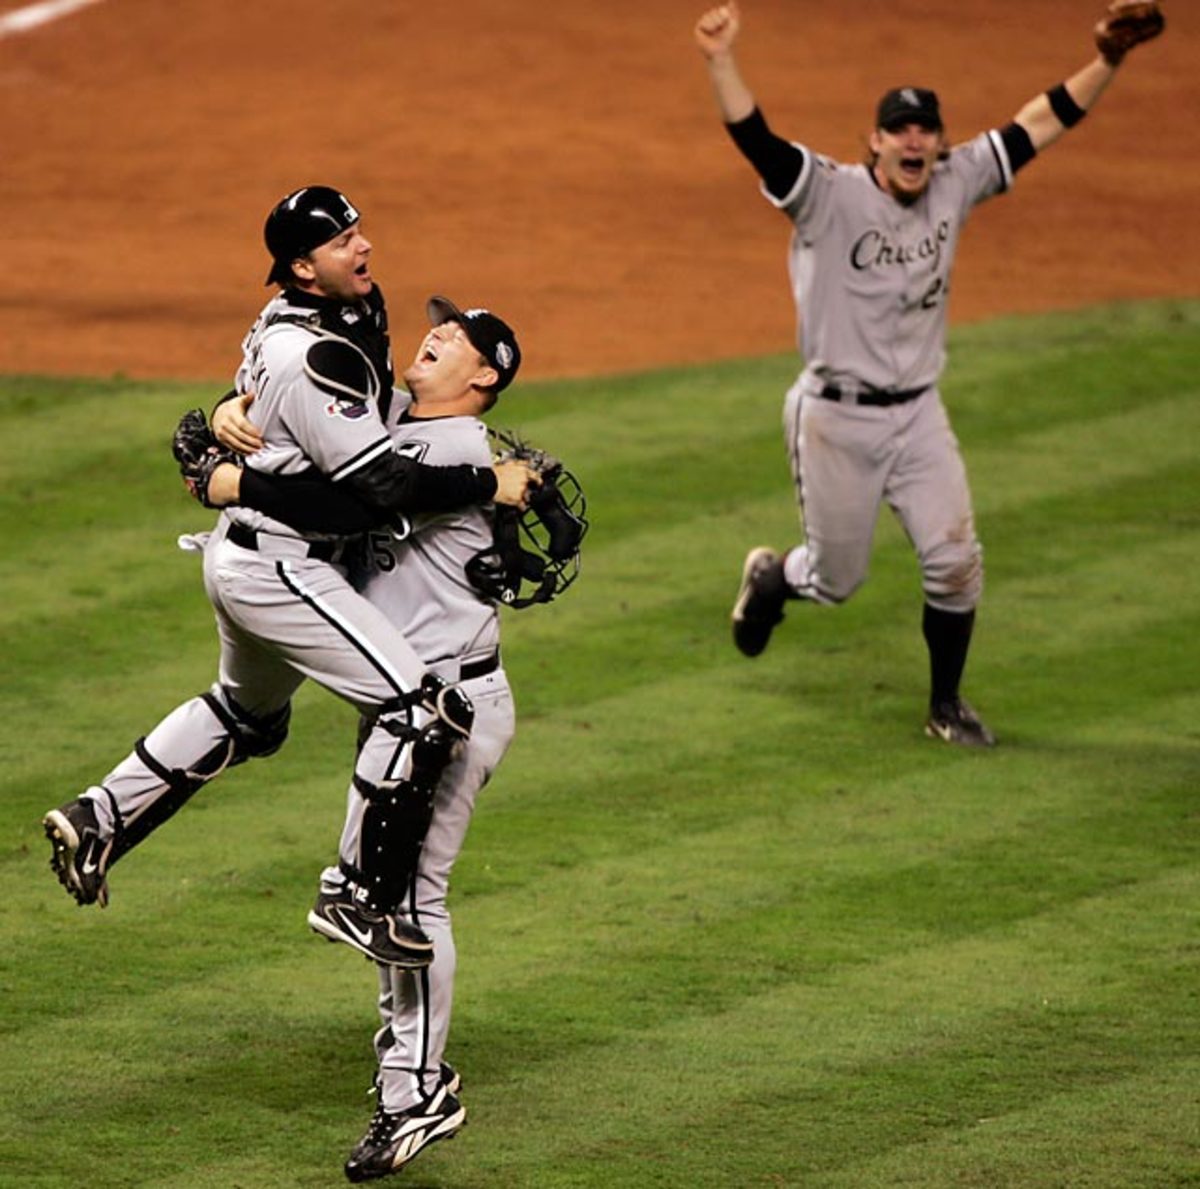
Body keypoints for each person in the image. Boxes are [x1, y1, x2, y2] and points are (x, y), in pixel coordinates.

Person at [43, 188, 536, 976]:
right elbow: (370, 489)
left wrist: (221, 425)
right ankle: (353, 893)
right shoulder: (311, 353)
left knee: (249, 715)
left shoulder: (351, 310)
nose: (363, 247)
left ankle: (102, 816)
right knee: (417, 708)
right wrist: (486, 482)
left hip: (254, 555)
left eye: (357, 229)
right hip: (279, 565)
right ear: (304, 269)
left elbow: (286, 407)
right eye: (343, 242)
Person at [694, 1, 1164, 746]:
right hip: (836, 417)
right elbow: (758, 141)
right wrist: (721, 60)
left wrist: (1107, 59)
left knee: (955, 558)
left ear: (939, 143)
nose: (915, 142)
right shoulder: (829, 194)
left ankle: (946, 704)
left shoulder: (957, 178)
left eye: (926, 131)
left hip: (918, 414)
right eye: (899, 131)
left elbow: (1040, 123)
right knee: (837, 581)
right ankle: (776, 579)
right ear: (874, 142)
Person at [206, 297, 537, 1180]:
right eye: (437, 323)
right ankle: (407, 1070)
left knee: (411, 898)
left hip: (448, 708)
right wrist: (231, 412)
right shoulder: (397, 423)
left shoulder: (456, 450)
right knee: (387, 900)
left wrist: (234, 473)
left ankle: (417, 1093)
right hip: (405, 706)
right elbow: (332, 434)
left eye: (456, 335)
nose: (434, 333)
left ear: (484, 377)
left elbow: (354, 496)